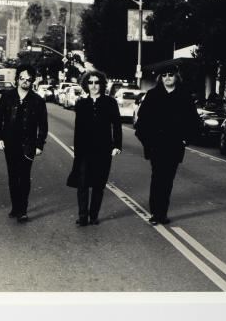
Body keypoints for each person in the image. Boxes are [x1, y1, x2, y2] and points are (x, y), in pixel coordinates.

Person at [134, 63, 199, 225]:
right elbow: (141, 123)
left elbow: (193, 121)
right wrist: (148, 142)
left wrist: (185, 139)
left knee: (168, 180)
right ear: (160, 78)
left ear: (176, 76)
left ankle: (162, 213)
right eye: (164, 75)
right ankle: (155, 213)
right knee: (157, 178)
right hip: (156, 145)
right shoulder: (152, 95)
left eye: (170, 74)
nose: (167, 78)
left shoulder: (184, 96)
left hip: (174, 145)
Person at [66, 71, 122, 226]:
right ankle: (83, 216)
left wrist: (117, 145)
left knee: (99, 184)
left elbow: (117, 125)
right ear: (86, 85)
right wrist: (77, 150)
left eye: (97, 82)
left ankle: (94, 215)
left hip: (103, 149)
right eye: (90, 82)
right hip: (85, 150)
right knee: (82, 183)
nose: (94, 86)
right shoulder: (81, 104)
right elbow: (78, 129)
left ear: (102, 84)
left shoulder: (110, 102)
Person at [0, 64, 48, 223]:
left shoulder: (38, 101)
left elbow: (43, 125)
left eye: (29, 79)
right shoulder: (7, 97)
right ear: (17, 79)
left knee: (24, 176)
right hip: (10, 142)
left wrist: (39, 145)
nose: (25, 81)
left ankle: (22, 210)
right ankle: (15, 207)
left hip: (28, 144)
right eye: (22, 78)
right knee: (13, 176)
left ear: (32, 81)